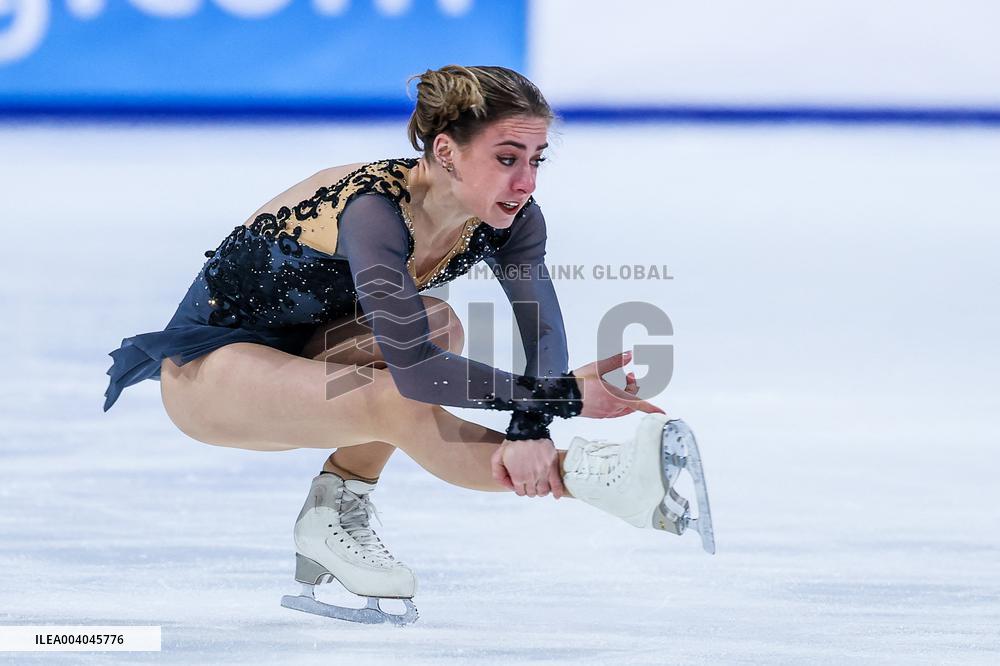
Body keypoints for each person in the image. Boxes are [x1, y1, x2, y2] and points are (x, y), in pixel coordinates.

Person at [104, 65, 713, 625]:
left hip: (309, 356)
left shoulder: (513, 219)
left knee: (437, 322)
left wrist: (533, 421)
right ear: (446, 152)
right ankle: (593, 478)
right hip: (211, 373)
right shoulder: (373, 209)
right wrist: (561, 398)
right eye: (507, 158)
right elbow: (418, 373)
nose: (525, 181)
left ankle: (333, 507)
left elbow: (542, 330)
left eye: (536, 160)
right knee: (399, 391)